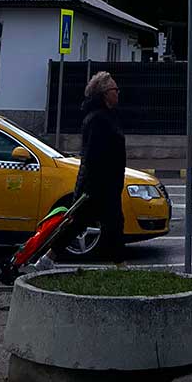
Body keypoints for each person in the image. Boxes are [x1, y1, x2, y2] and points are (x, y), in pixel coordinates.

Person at [75, 69, 126, 262]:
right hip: (100, 184)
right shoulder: (98, 119)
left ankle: (47, 258)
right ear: (105, 93)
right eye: (115, 89)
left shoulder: (108, 116)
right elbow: (92, 156)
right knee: (109, 223)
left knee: (111, 223)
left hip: (107, 182)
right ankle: (120, 264)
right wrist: (91, 185)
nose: (118, 92)